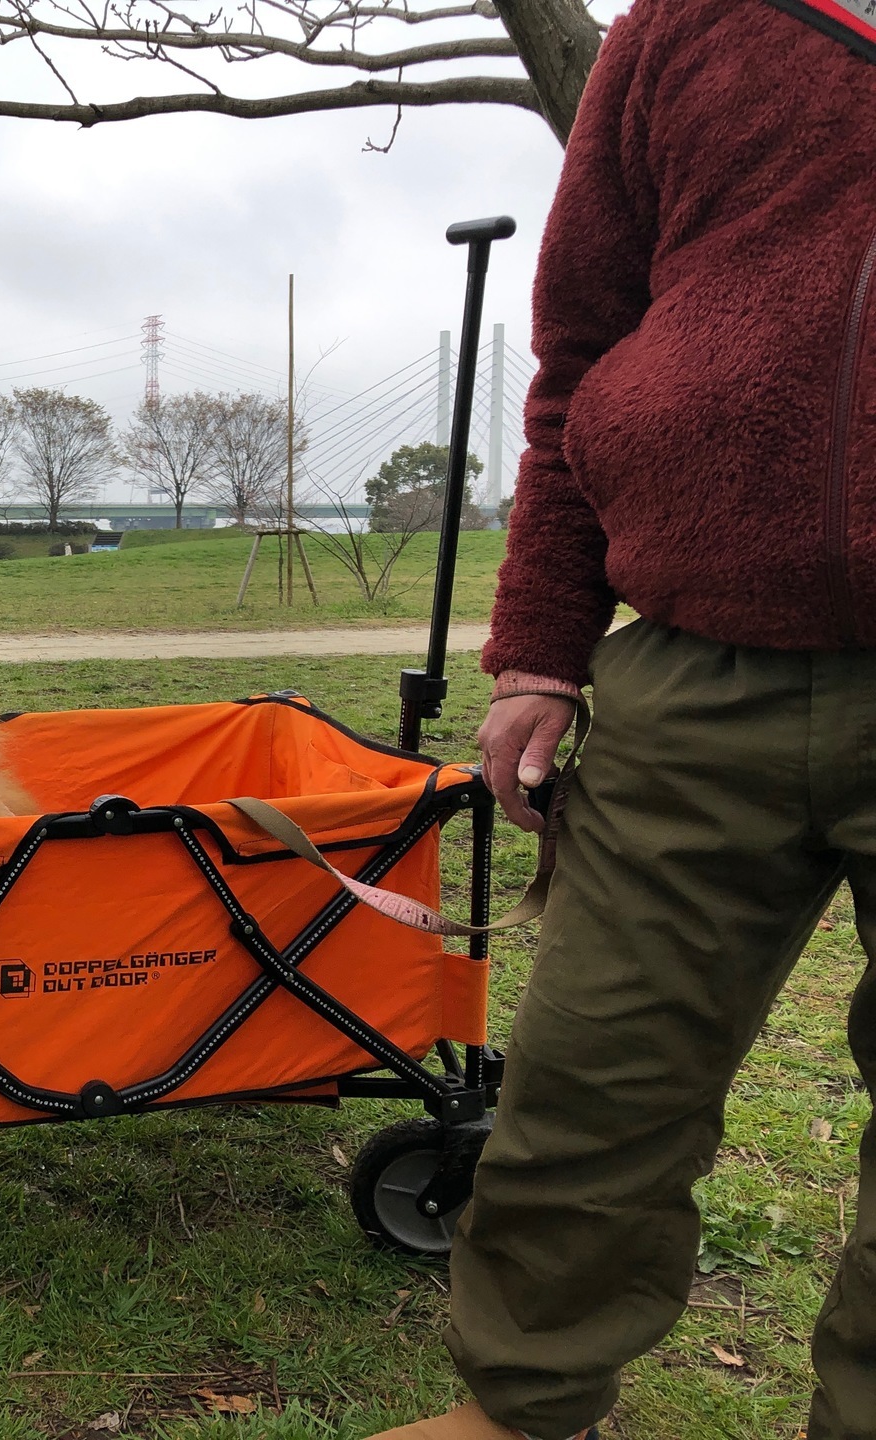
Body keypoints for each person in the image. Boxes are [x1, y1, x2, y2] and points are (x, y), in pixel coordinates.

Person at [370, 2, 876, 1437]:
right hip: (690, 676)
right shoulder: (685, 25)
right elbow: (581, 351)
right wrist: (537, 648)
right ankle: (522, 1411)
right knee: (593, 1082)